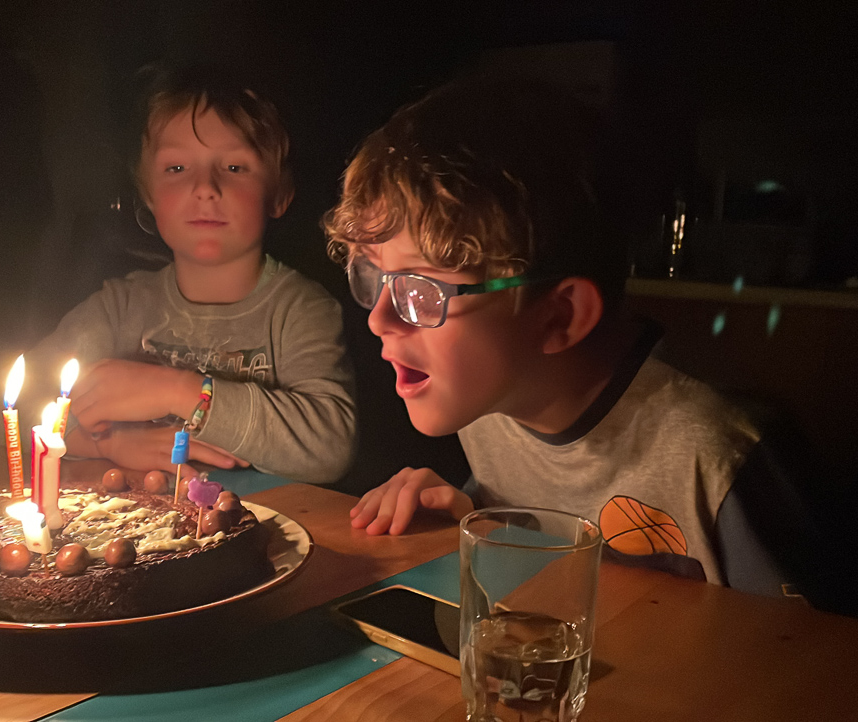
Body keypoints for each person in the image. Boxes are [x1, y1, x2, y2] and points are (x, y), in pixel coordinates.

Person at [324, 76, 822, 597]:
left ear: (559, 317)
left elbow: (805, 642)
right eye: (375, 275)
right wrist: (469, 517)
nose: (379, 318)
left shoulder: (715, 460)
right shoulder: (491, 411)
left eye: (420, 289)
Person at [0, 65, 355, 484]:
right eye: (177, 169)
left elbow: (330, 447)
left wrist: (175, 390)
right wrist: (102, 443)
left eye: (234, 167)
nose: (205, 187)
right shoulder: (120, 309)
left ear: (279, 193)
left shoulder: (300, 311)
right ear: (148, 196)